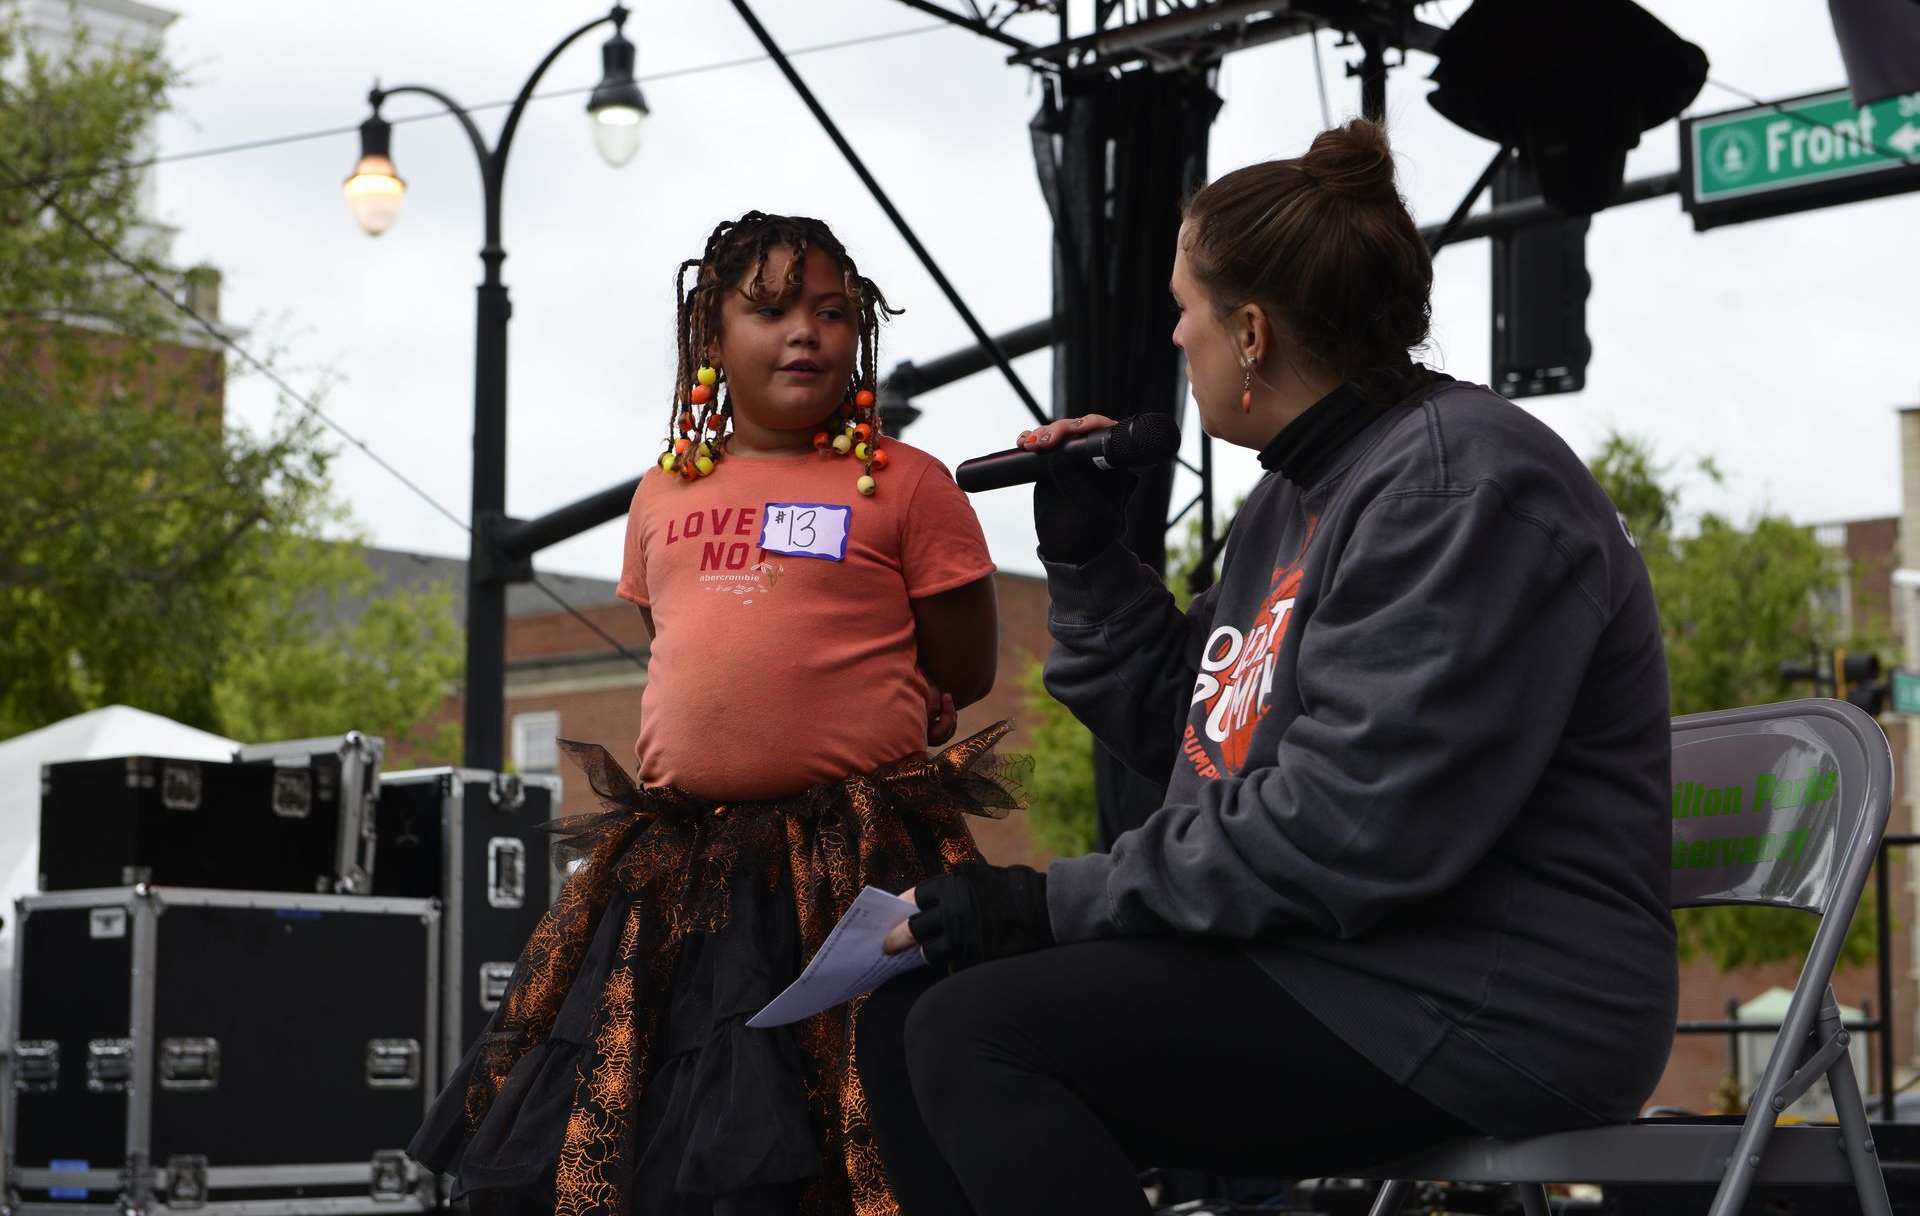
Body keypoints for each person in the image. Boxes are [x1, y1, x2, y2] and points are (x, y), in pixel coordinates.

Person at [858, 119, 1680, 1216]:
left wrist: (1052, 903)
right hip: (1345, 961)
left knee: (977, 1032)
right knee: (906, 1007)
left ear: (1250, 331)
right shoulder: (1299, 495)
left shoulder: (1456, 488)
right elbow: (1201, 733)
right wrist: (1090, 564)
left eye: (1184, 308)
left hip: (1493, 1001)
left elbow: (1349, 827)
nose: (1174, 336)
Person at [409, 211, 1017, 1216]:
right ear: (709, 339)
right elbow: (681, 646)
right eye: (771, 311)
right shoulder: (663, 493)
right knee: (672, 1136)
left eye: (833, 312)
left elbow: (965, 663)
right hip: (686, 873)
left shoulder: (907, 482)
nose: (807, 332)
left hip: (854, 860)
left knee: (867, 1127)